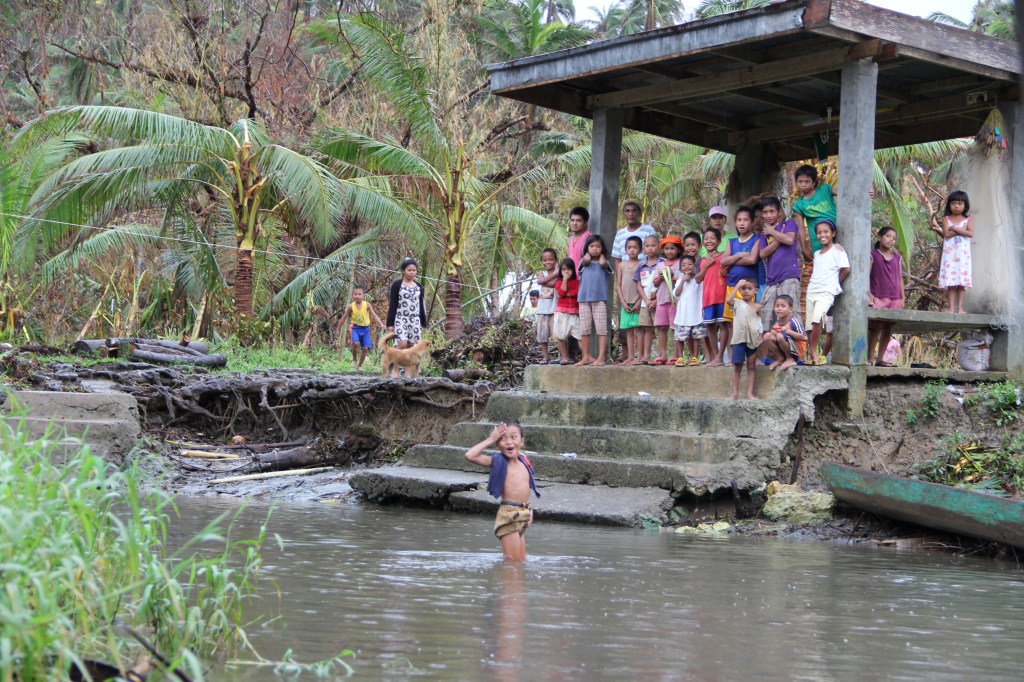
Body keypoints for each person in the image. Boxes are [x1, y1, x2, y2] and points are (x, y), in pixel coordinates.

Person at [463, 421, 540, 562]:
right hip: (508, 515)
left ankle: (515, 584)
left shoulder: (524, 461)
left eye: (513, 437)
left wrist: (530, 510)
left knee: (521, 562)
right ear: (497, 445)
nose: (509, 442)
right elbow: (470, 455)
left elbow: (524, 491)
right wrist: (491, 439)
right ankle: (507, 583)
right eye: (503, 439)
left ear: (522, 441)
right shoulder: (498, 461)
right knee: (512, 563)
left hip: (522, 514)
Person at [612, 200, 657, 363]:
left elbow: (652, 252)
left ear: (639, 212)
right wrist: (620, 281)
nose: (631, 214)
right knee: (626, 324)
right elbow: (617, 258)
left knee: (643, 323)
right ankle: (628, 355)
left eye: (634, 210)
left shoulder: (648, 230)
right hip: (625, 285)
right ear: (624, 213)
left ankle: (643, 355)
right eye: (627, 211)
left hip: (644, 283)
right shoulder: (620, 234)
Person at [719, 207, 760, 366]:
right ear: (735, 222)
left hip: (749, 287)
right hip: (732, 286)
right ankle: (731, 358)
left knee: (750, 323)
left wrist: (732, 259)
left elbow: (752, 260)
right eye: (739, 220)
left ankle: (751, 358)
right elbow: (723, 261)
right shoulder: (732, 242)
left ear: (751, 222)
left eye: (745, 220)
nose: (742, 223)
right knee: (731, 324)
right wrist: (740, 255)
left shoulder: (756, 240)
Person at [805, 220, 849, 365]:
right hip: (812, 289)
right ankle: (812, 355)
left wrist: (835, 284)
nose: (822, 234)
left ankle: (813, 352)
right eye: (819, 232)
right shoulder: (817, 254)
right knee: (809, 325)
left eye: (826, 231)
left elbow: (846, 269)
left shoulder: (837, 249)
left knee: (817, 319)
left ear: (833, 233)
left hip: (826, 291)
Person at [757, 197, 802, 328]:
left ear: (779, 212)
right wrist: (776, 237)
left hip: (789, 276)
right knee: (766, 319)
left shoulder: (788, 224)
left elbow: (789, 240)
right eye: (765, 212)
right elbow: (762, 254)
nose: (768, 215)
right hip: (772, 280)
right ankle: (769, 346)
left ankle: (793, 347)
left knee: (790, 318)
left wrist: (772, 232)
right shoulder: (764, 233)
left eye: (772, 211)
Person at [868, 226, 905, 367]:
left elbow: (900, 278)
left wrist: (903, 297)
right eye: (888, 236)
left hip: (894, 297)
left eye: (894, 238)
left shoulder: (897, 258)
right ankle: (870, 358)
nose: (891, 240)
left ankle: (880, 359)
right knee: (875, 327)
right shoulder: (873, 255)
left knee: (888, 328)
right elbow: (866, 275)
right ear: (880, 237)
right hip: (878, 296)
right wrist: (869, 293)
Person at [932, 190, 973, 313]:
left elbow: (970, 233)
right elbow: (946, 234)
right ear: (949, 204)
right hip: (950, 256)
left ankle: (960, 308)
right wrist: (961, 230)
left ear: (965, 205)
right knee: (951, 282)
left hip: (963, 256)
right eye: (953, 203)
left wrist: (955, 228)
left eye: (960, 203)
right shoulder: (946, 219)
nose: (956, 206)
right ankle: (951, 308)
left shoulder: (968, 218)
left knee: (961, 283)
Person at [577, 235, 613, 366]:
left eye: (598, 246)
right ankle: (586, 356)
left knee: (601, 330)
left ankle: (601, 357)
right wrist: (585, 259)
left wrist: (603, 260)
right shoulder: (583, 262)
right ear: (586, 248)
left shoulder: (605, 263)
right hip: (584, 300)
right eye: (591, 246)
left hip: (599, 300)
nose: (594, 249)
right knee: (585, 330)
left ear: (602, 249)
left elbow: (605, 266)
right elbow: (581, 267)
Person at [727, 278, 762, 400]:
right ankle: (734, 393)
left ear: (755, 291)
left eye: (749, 288)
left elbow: (760, 323)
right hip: (739, 339)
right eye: (743, 289)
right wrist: (737, 286)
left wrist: (760, 336)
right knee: (737, 366)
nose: (746, 291)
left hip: (752, 340)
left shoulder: (758, 307)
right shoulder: (737, 302)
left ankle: (749, 393)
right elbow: (728, 300)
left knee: (751, 366)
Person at [696, 228, 726, 366]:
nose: (709, 241)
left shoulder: (724, 256)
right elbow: (697, 279)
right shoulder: (702, 261)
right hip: (708, 299)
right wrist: (706, 265)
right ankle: (715, 357)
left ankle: (721, 356)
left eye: (712, 238)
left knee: (724, 326)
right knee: (710, 328)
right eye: (706, 238)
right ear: (703, 243)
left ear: (719, 241)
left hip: (722, 297)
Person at [791, 164, 837, 256]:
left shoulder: (825, 190)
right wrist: (804, 248)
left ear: (813, 182)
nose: (803, 185)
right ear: (796, 182)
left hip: (839, 234)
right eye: (800, 181)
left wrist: (866, 192)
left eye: (807, 181)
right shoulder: (799, 204)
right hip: (820, 243)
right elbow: (801, 228)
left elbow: (845, 193)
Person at [336, 285, 385, 369]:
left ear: (363, 295)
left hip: (365, 329)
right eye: (355, 294)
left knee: (365, 348)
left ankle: (359, 366)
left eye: (360, 294)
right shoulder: (351, 306)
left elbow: (374, 315)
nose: (357, 296)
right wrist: (338, 329)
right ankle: (354, 360)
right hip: (355, 328)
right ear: (352, 295)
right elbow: (343, 318)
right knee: (355, 343)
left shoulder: (367, 305)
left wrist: (381, 324)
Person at [651, 235, 682, 365]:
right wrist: (661, 277)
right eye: (667, 248)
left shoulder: (680, 263)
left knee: (675, 328)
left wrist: (671, 275)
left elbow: (680, 280)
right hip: (661, 300)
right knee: (661, 327)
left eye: (672, 248)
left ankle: (676, 354)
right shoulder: (659, 265)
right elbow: (655, 283)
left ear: (678, 250)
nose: (669, 251)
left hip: (675, 300)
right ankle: (662, 354)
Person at [633, 235, 664, 365]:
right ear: (643, 248)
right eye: (647, 246)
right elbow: (638, 284)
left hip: (659, 301)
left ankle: (658, 355)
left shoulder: (662, 263)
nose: (650, 248)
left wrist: (655, 300)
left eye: (653, 245)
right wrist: (646, 300)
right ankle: (642, 355)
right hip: (646, 302)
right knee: (643, 327)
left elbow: (665, 284)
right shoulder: (641, 265)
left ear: (658, 246)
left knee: (657, 328)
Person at [386, 258, 428, 349]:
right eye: (409, 270)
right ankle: (395, 361)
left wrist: (423, 323)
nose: (412, 272)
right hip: (400, 319)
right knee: (402, 343)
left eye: (414, 270)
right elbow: (393, 304)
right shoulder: (397, 285)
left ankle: (405, 363)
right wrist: (390, 323)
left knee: (411, 346)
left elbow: (421, 305)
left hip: (415, 320)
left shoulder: (419, 287)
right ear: (403, 271)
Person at [672, 254, 705, 365]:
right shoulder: (679, 281)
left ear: (695, 266)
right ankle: (680, 357)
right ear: (680, 268)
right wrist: (682, 281)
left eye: (690, 264)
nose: (687, 267)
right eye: (684, 265)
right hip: (682, 315)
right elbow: (676, 294)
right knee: (680, 338)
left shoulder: (698, 281)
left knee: (696, 337)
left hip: (696, 314)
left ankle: (695, 357)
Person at [760, 294, 806, 371]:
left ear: (790, 309)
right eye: (777, 306)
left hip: (798, 352)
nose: (779, 309)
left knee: (780, 336)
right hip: (786, 348)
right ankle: (780, 358)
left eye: (783, 306)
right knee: (767, 336)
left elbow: (804, 337)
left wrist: (789, 332)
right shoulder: (777, 323)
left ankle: (790, 359)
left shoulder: (794, 322)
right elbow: (772, 334)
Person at [617, 236, 644, 365]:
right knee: (628, 330)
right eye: (629, 247)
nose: (632, 250)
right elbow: (618, 285)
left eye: (635, 247)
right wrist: (622, 302)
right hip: (625, 302)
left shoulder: (642, 264)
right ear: (625, 249)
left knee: (638, 329)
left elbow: (643, 285)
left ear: (640, 249)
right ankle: (630, 356)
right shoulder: (621, 265)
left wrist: (639, 301)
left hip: (638, 302)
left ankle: (640, 356)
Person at [553, 258, 581, 365]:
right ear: (560, 271)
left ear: (573, 270)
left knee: (579, 335)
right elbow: (561, 292)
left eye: (569, 269)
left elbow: (576, 293)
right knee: (560, 336)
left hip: (574, 312)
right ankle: (565, 357)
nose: (566, 271)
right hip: (561, 312)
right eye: (564, 269)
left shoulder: (577, 281)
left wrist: (566, 294)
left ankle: (586, 356)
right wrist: (565, 280)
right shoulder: (559, 282)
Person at [535, 249, 559, 364]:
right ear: (541, 262)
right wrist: (552, 276)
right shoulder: (541, 273)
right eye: (545, 260)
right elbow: (541, 280)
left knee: (558, 335)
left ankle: (562, 355)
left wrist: (544, 281)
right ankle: (545, 357)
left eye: (550, 259)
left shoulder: (560, 272)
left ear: (556, 260)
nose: (547, 262)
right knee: (542, 336)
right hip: (542, 310)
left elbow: (552, 284)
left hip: (555, 309)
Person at [567, 206, 593, 271]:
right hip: (572, 278)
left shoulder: (589, 238)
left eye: (578, 221)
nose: (574, 223)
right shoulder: (571, 239)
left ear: (585, 223)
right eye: (572, 220)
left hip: (584, 278)